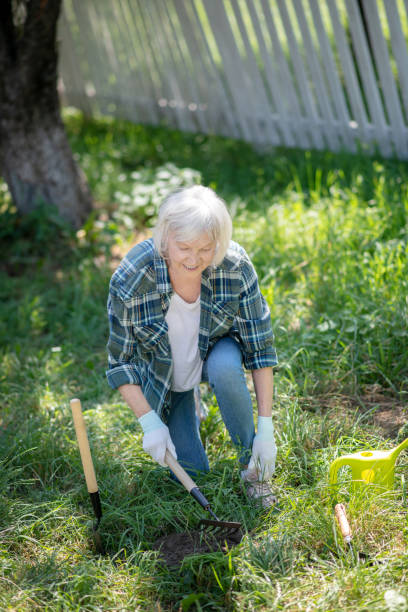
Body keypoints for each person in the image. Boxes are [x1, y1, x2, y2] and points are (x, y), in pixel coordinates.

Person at [106, 185, 278, 507]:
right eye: (184, 247)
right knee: (193, 473)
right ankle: (188, 403)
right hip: (166, 376)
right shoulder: (132, 277)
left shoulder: (234, 267)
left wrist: (266, 427)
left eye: (205, 249)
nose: (194, 259)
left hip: (214, 351)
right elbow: (121, 362)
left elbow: (260, 348)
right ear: (165, 237)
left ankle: (252, 469)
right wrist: (149, 423)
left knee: (226, 368)